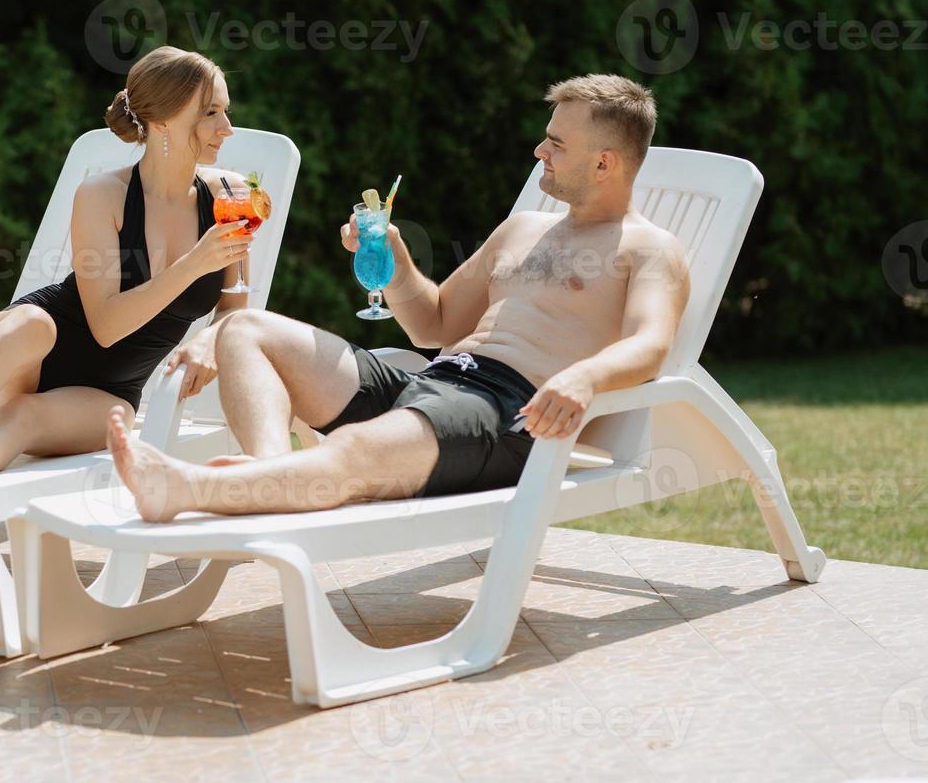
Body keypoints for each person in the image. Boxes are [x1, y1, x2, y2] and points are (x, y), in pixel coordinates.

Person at [106, 73, 692, 522]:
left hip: (508, 413)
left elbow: (651, 344)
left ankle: (188, 490)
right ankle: (268, 475)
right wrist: (395, 260)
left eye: (555, 144)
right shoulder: (524, 229)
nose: (540, 152)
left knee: (356, 448)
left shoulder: (648, 249)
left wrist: (585, 379)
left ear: (604, 162)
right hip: (435, 381)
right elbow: (433, 324)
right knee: (244, 329)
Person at [0, 46, 252, 495]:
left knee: (22, 420)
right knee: (31, 323)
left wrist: (213, 340)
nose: (226, 128)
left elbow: (234, 303)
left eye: (225, 112)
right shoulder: (103, 195)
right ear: (164, 119)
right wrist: (194, 264)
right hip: (35, 349)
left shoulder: (229, 194)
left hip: (111, 393)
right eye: (211, 113)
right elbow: (107, 326)